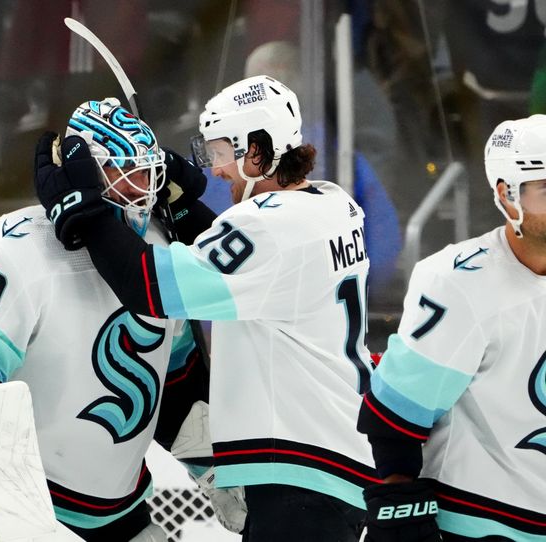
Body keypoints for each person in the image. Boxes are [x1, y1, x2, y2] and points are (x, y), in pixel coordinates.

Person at [35, 75, 379, 541]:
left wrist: (82, 210)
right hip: (328, 464)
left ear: (257, 151)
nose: (214, 170)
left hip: (304, 476)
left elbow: (146, 286)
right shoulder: (332, 204)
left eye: (221, 153)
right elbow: (248, 264)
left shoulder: (271, 229)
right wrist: (175, 201)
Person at [0, 98, 242, 541]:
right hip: (6, 509)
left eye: (146, 171)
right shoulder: (13, 248)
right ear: (85, 173)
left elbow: (173, 381)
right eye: (124, 171)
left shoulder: (157, 255)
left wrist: (216, 467)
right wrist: (5, 493)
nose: (141, 186)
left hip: (118, 514)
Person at [356, 115, 546, 541]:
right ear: (507, 195)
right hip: (481, 523)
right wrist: (398, 507)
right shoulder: (460, 283)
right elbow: (395, 416)